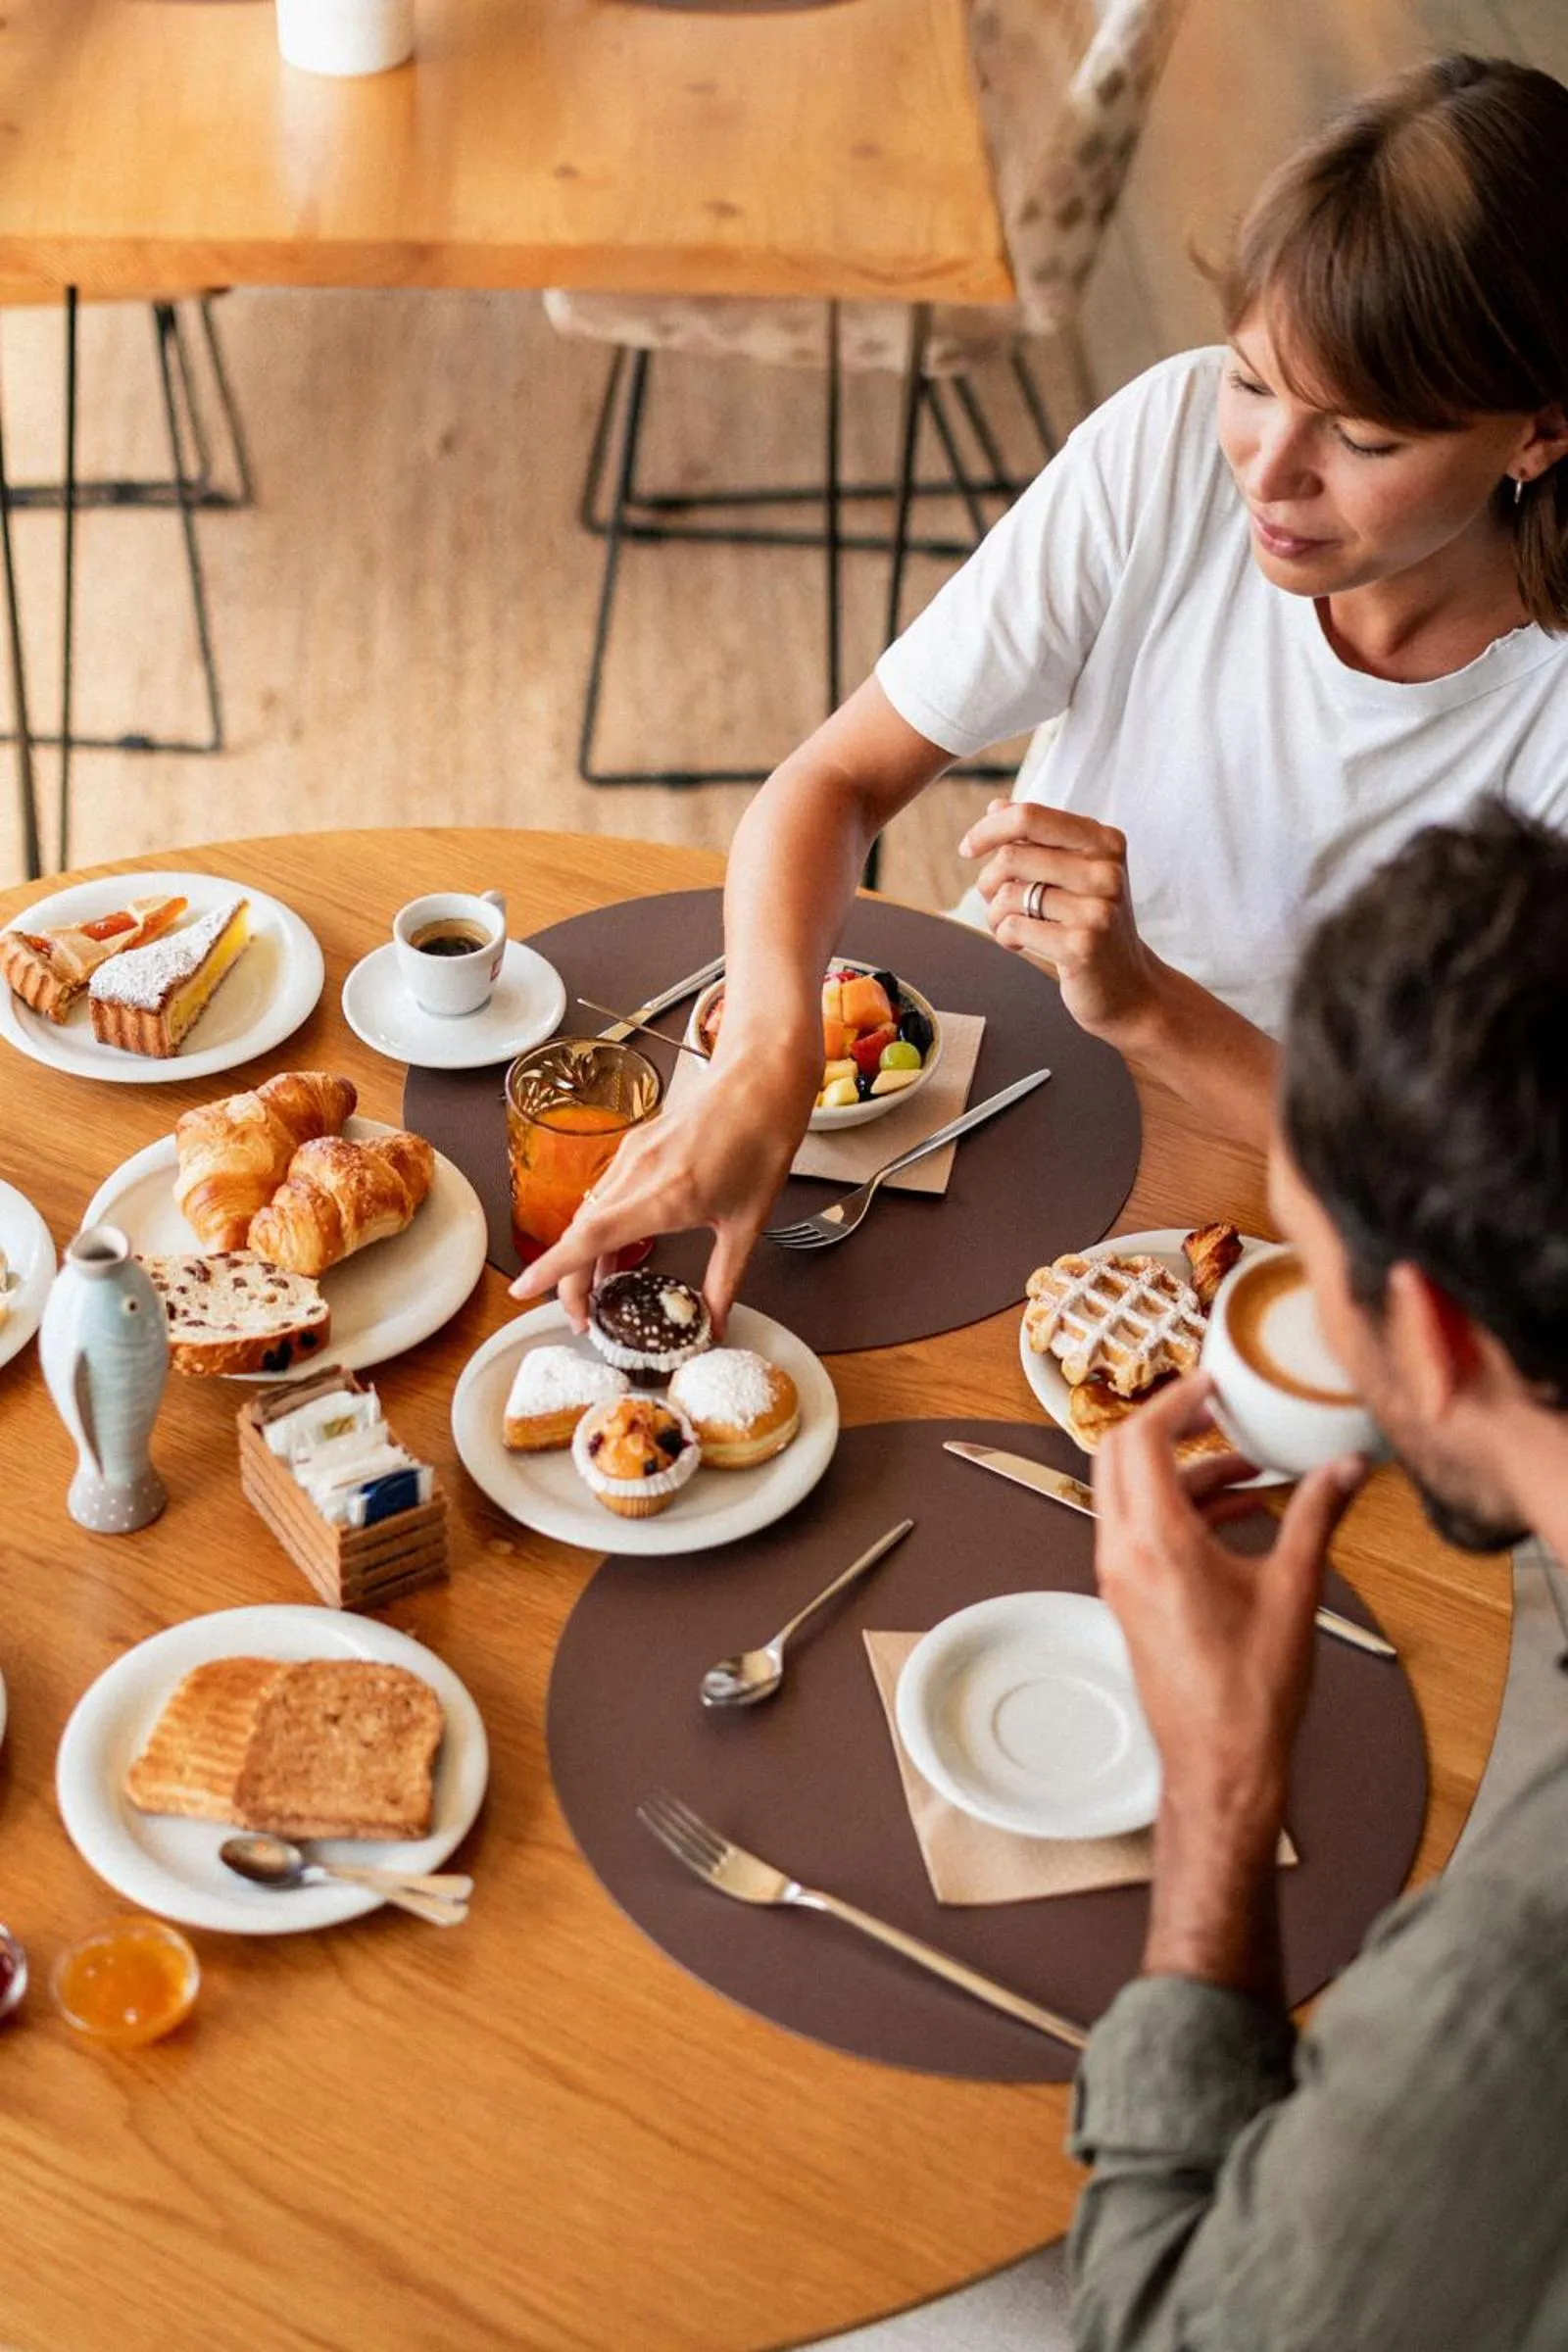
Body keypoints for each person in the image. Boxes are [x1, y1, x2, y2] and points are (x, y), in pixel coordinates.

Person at [517, 55, 1568, 1334]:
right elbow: (838, 780)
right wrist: (766, 1059)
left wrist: (1146, 1003)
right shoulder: (1171, 443)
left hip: (1290, 1214)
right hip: (994, 1088)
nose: (1268, 473)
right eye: (1253, 381)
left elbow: (1461, 1209)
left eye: (1363, 440)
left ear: (1537, 432)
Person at [1068, 804, 1568, 2349]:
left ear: (1427, 1335)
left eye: (1317, 1268)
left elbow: (1165, 2326)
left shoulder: (1511, 1980)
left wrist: (1221, 1793)